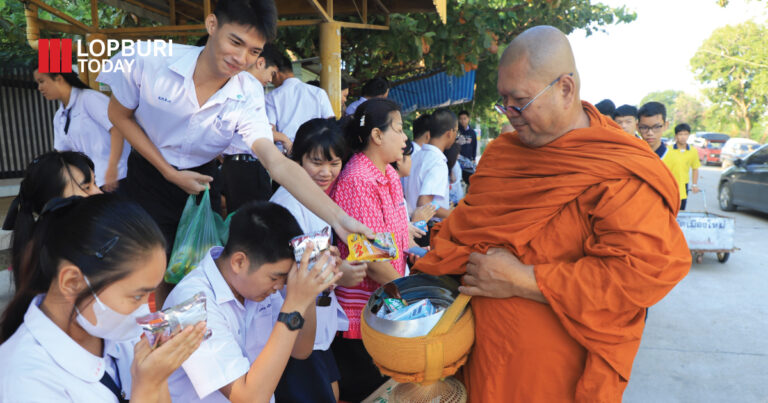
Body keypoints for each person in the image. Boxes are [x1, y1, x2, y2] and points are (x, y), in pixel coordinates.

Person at [413, 25, 690, 402]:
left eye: (521, 101)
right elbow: (459, 237)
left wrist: (525, 279)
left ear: (565, 88)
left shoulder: (617, 168)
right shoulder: (502, 156)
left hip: (556, 375)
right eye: (503, 101)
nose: (510, 114)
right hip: (479, 359)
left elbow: (638, 276)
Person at [98, 0, 370, 269]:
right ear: (212, 24)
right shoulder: (148, 59)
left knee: (195, 271)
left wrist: (340, 220)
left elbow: (276, 162)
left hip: (202, 184)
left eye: (254, 51)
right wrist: (168, 172)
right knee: (146, 268)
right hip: (148, 174)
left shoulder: (248, 92)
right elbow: (118, 115)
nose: (240, 59)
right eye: (235, 42)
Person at [0, 194, 206, 402]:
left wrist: (158, 376)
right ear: (72, 282)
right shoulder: (25, 380)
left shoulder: (114, 332)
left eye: (150, 294)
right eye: (137, 296)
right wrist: (148, 386)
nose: (146, 309)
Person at [164, 201, 341, 402]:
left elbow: (301, 349)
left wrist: (308, 285)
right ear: (239, 262)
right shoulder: (189, 303)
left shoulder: (254, 286)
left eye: (285, 278)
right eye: (275, 278)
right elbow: (248, 398)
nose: (279, 287)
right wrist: (295, 305)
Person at [269, 118, 366, 402]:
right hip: (295, 325)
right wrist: (338, 274)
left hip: (315, 327)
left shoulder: (318, 200)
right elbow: (286, 272)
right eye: (316, 162)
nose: (326, 172)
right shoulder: (287, 205)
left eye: (334, 163)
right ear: (296, 159)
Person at [330, 98, 409, 402]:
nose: (405, 138)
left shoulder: (388, 174)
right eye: (399, 130)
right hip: (364, 316)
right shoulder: (357, 179)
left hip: (386, 303)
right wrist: (409, 299)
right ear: (377, 135)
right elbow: (371, 256)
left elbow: (393, 238)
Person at [2, 151, 102, 290]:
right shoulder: (56, 257)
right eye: (86, 187)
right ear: (52, 201)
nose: (99, 193)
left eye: (95, 183)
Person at [33, 70, 130, 191]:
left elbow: (118, 129)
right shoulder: (59, 116)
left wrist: (112, 167)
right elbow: (62, 154)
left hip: (116, 178)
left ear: (59, 78)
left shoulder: (90, 99)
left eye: (42, 81)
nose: (39, 87)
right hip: (91, 185)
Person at [220, 43, 285, 212]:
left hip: (231, 167)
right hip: (248, 166)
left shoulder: (232, 81)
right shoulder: (252, 84)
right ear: (260, 62)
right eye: (271, 73)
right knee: (258, 221)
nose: (271, 80)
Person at [266, 52, 336, 143]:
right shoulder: (318, 93)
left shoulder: (271, 97)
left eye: (271, 76)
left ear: (276, 73)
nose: (271, 81)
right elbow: (331, 123)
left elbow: (269, 131)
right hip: (315, 148)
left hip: (285, 151)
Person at [405, 108, 458, 220]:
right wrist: (451, 214)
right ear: (449, 133)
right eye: (456, 131)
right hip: (428, 228)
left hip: (413, 223)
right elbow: (424, 203)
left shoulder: (417, 156)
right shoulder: (437, 161)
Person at [671, 123, 701, 210]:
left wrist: (694, 184)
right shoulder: (668, 150)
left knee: (681, 210)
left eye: (686, 134)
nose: (683, 137)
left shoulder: (693, 151)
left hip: (684, 185)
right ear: (676, 136)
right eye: (680, 134)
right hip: (670, 183)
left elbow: (695, 168)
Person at [456, 110, 478, 183]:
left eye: (464, 118)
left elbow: (474, 145)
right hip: (458, 161)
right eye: (461, 119)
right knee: (459, 180)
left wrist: (474, 158)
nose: (463, 121)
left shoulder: (472, 133)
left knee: (470, 180)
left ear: (468, 119)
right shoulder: (456, 131)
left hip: (468, 161)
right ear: (458, 120)